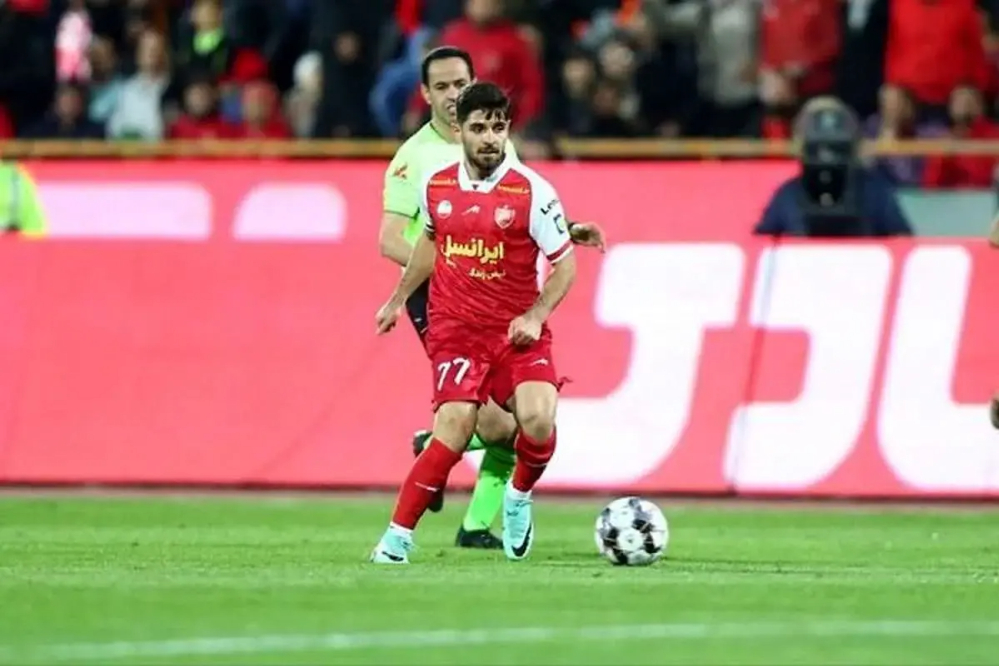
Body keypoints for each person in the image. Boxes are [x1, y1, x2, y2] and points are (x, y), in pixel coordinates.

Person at [379, 46, 605, 550]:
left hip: (508, 308)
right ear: (427, 96)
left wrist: (566, 230)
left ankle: (491, 512)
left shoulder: (509, 160)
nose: (452, 93)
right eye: (442, 86)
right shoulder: (416, 163)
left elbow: (513, 220)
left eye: (459, 83)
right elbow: (398, 239)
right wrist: (411, 293)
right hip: (446, 304)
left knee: (517, 425)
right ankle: (406, 536)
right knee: (470, 421)